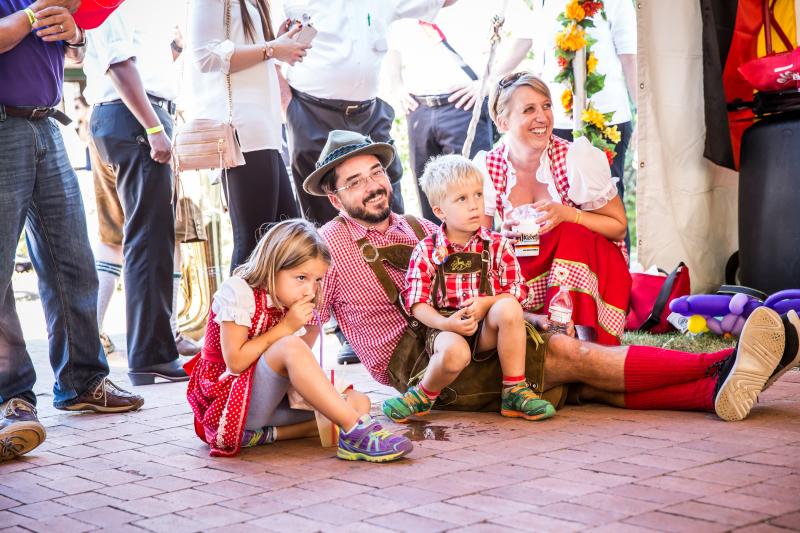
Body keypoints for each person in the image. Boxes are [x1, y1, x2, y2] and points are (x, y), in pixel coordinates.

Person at [301, 129, 800, 423]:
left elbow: (472, 272)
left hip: (470, 337)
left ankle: (722, 388)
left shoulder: (417, 226)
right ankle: (728, 361)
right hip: (424, 367)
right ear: (334, 196)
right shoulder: (328, 247)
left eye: (375, 173)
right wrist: (307, 395)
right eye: (354, 181)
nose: (371, 186)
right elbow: (306, 322)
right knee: (573, 356)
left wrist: (517, 311)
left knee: (584, 383)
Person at [0, 0, 144, 462]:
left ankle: (83, 380)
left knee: (73, 262)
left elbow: (73, 53)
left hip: (45, 123)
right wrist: (34, 16)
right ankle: (12, 396)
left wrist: (74, 34)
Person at [185, 219, 414, 461]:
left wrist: (330, 387)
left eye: (317, 280)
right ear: (273, 266)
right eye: (301, 277)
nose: (310, 290)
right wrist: (286, 327)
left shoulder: (288, 302)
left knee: (359, 402)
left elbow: (295, 368)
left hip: (269, 403)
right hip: (226, 403)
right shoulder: (238, 291)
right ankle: (355, 432)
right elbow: (236, 362)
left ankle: (267, 435)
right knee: (293, 349)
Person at [382, 155, 556, 422]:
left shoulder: (497, 244)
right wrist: (445, 323)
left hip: (487, 329)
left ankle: (514, 390)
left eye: (477, 195)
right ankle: (421, 395)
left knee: (509, 305)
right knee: (455, 352)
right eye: (461, 199)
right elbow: (417, 303)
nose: (474, 205)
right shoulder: (427, 250)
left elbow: (520, 291)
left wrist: (488, 303)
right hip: (443, 327)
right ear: (439, 211)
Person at [476, 72, 631, 345]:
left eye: (546, 106)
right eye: (529, 109)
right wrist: (503, 235)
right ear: (503, 122)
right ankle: (537, 324)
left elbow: (618, 228)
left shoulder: (574, 158)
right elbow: (479, 245)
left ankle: (586, 339)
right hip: (531, 271)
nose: (543, 117)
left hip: (596, 271)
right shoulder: (488, 168)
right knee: (505, 254)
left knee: (568, 234)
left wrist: (569, 214)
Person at [281, 0, 458, 227]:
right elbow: (269, 49)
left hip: (369, 114)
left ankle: (398, 259)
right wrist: (289, 107)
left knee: (388, 200)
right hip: (311, 113)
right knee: (324, 214)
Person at [84, 0, 188, 384]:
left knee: (153, 236)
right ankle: (149, 353)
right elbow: (118, 64)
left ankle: (155, 348)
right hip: (132, 117)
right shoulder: (111, 6)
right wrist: (154, 128)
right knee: (147, 238)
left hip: (137, 115)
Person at [495, 0, 637, 250]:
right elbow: (524, 39)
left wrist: (644, 118)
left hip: (605, 118)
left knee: (604, 209)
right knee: (543, 216)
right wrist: (489, 81)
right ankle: (545, 272)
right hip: (555, 119)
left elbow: (630, 57)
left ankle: (611, 276)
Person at [186, 0, 308, 270]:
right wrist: (272, 48)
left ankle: (271, 313)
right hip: (243, 129)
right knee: (255, 243)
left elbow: (244, 50)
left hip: (264, 129)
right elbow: (205, 57)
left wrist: (275, 44)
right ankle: (231, 313)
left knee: (286, 238)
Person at [385, 0, 532, 223]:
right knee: (429, 195)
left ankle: (478, 254)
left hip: (463, 106)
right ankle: (435, 254)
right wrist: (397, 85)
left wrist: (490, 80)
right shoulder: (407, 4)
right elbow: (391, 41)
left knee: (470, 194)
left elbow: (526, 34)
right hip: (419, 108)